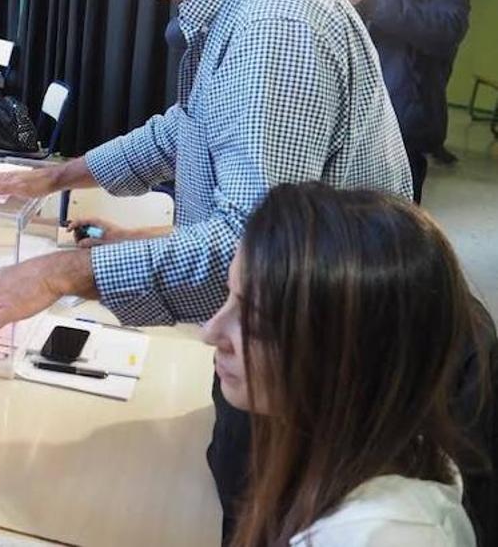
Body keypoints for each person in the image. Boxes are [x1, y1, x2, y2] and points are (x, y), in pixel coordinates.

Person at [0, 0, 413, 541]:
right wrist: (58, 176)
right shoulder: (244, 3)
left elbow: (251, 251)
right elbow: (187, 128)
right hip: (296, 347)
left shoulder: (274, 22)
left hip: (319, 369)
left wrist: (64, 273)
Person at [206, 182, 483, 547]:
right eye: (230, 295)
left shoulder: (379, 536)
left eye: (256, 319)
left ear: (347, 355)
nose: (211, 333)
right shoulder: (334, 448)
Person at [325, 0, 469, 204]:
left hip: (402, 132)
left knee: (392, 235)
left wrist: (371, 0)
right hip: (342, 126)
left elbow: (445, 31)